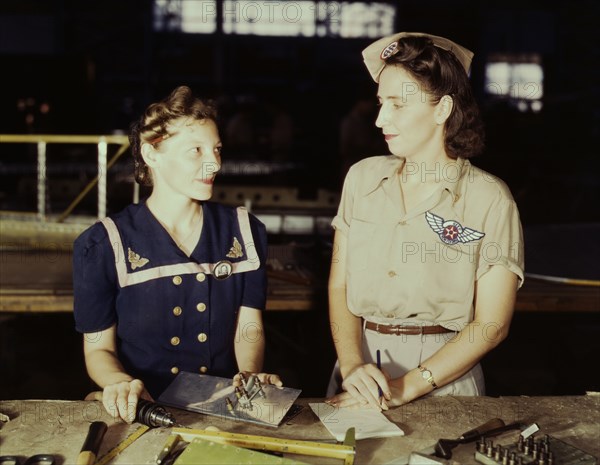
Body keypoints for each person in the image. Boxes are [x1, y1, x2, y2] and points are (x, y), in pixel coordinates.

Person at [326, 33, 524, 410]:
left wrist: (407, 387)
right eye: (381, 102)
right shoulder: (361, 179)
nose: (381, 118)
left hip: (444, 383)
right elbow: (339, 287)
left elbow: (491, 324)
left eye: (398, 104)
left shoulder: (489, 199)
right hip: (359, 374)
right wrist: (351, 364)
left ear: (442, 109)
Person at [73, 86, 281, 423]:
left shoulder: (244, 231)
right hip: (145, 408)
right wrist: (120, 384)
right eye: (195, 151)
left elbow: (249, 327)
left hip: (222, 408)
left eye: (216, 149)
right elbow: (99, 349)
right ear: (152, 154)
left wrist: (249, 377)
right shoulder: (102, 244)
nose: (214, 163)